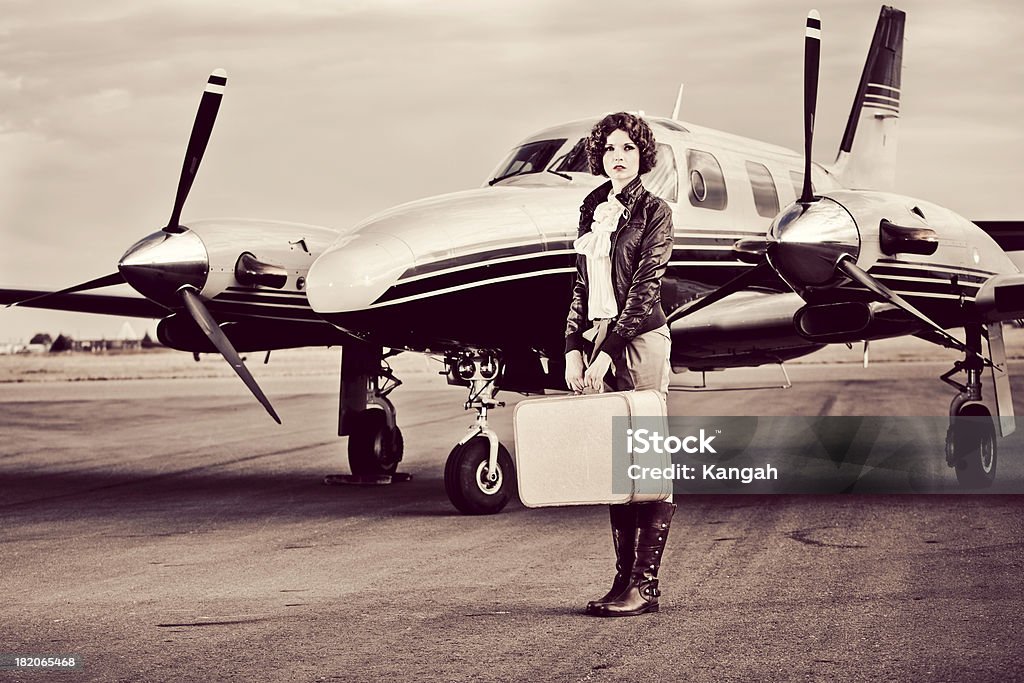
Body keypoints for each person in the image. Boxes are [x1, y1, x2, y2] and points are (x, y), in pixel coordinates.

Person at [563, 112, 676, 617]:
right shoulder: (592, 207)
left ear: (642, 155)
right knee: (618, 463)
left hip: (642, 337)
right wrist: (571, 345)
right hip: (599, 338)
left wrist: (608, 352)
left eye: (628, 148)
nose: (618, 157)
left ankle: (644, 587)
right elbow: (581, 286)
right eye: (610, 149)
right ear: (599, 155)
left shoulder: (656, 211)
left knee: (647, 459)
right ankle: (621, 580)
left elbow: (645, 288)